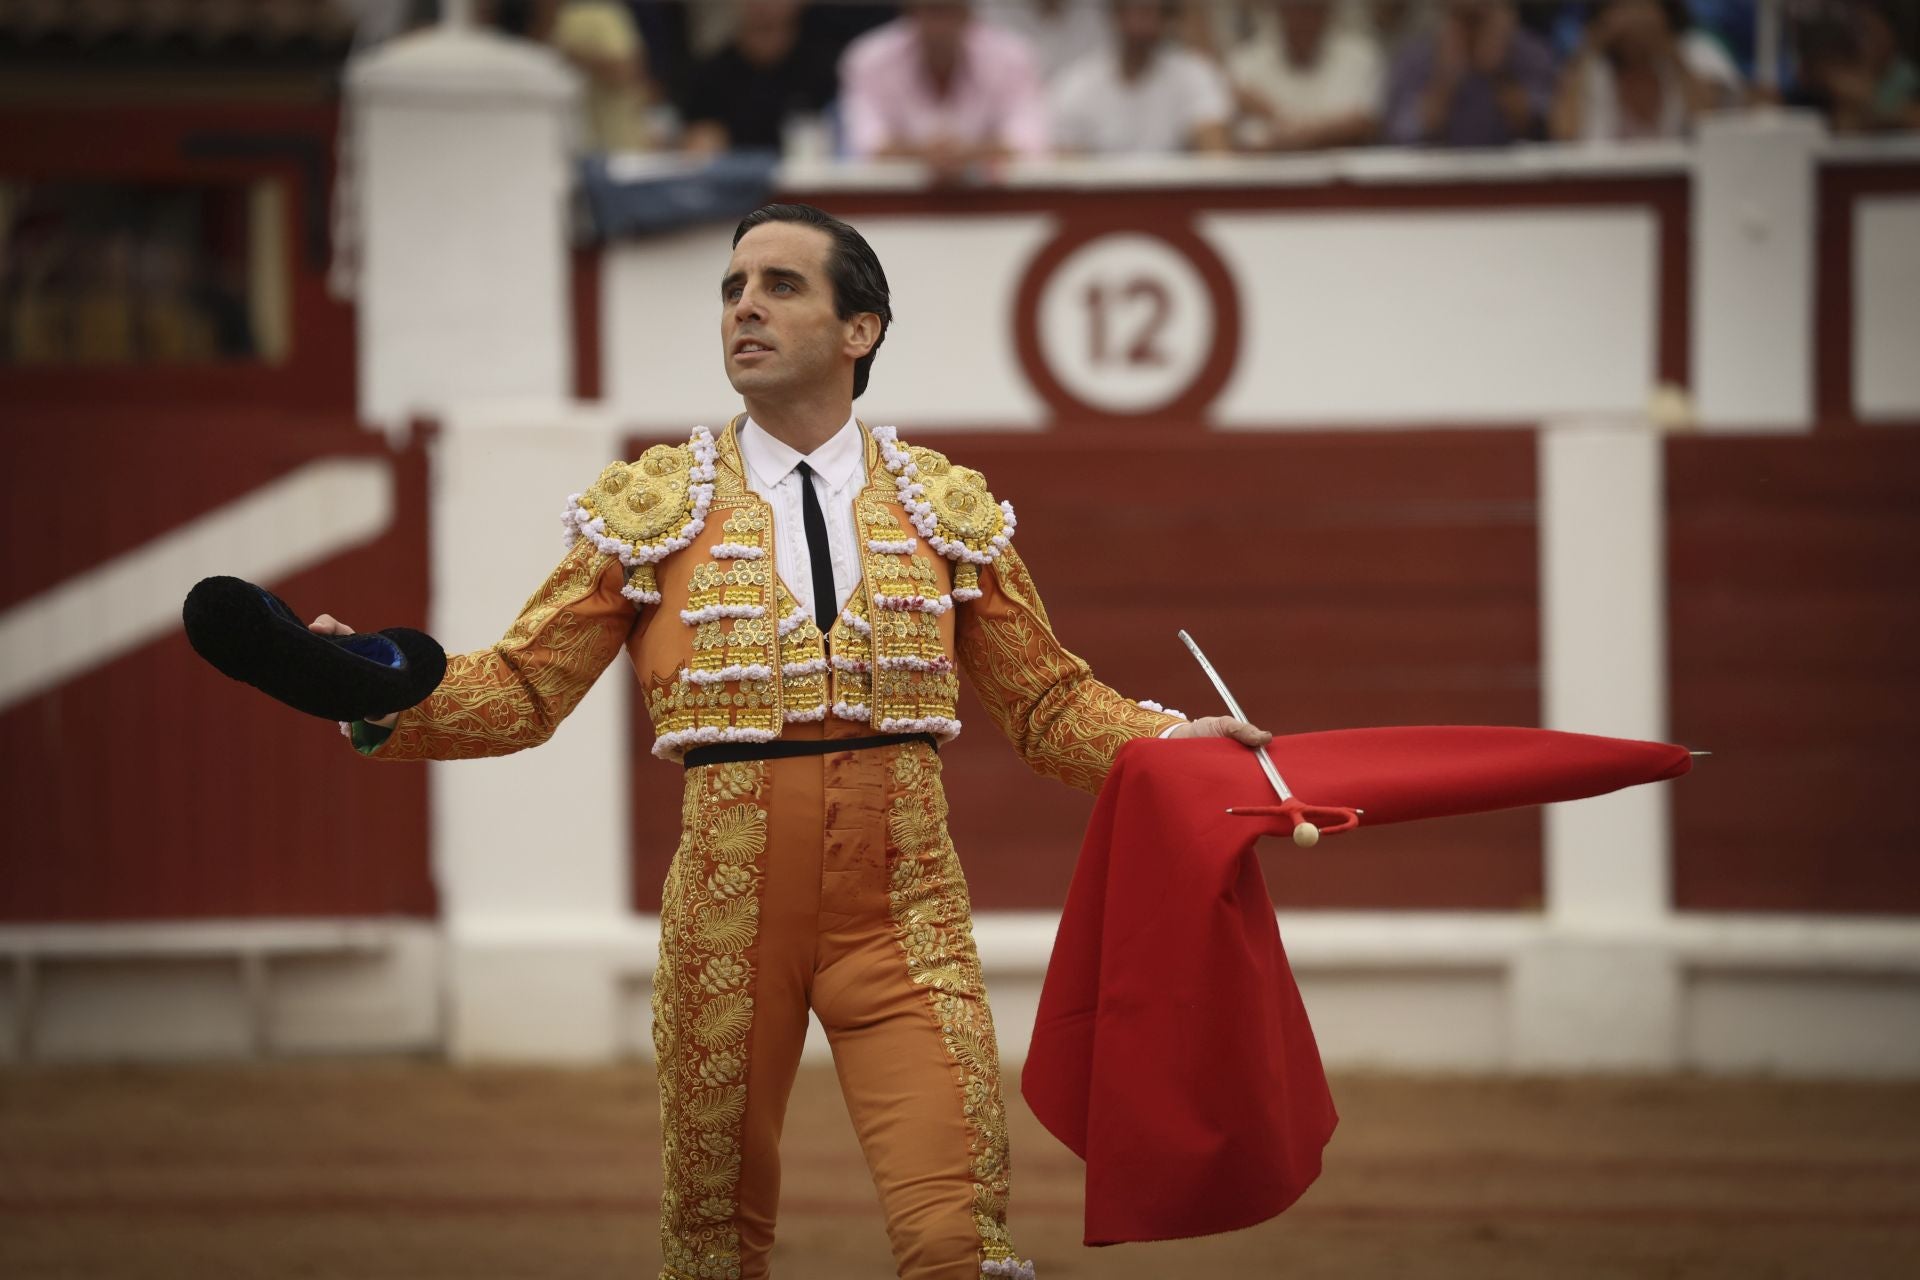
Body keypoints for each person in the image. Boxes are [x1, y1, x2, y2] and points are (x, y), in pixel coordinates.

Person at [313, 201, 1270, 1280]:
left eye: (779, 285)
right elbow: (525, 686)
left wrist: (1172, 738)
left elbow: (1049, 705)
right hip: (727, 921)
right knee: (713, 1245)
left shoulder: (944, 510)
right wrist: (375, 687)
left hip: (905, 914)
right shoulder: (652, 507)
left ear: (859, 331)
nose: (745, 309)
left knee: (962, 1242)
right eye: (731, 289)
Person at [838, 1, 1052, 180]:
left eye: (949, 10)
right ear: (910, 11)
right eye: (932, 10)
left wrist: (961, 155)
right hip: (894, 207)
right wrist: (936, 154)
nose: (940, 27)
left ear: (968, 12)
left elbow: (1029, 143)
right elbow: (864, 147)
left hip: (993, 205)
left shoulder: (1012, 57)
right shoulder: (869, 59)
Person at [1050, 0, 1234, 155]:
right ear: (1115, 15)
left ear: (1166, 19)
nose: (1141, 25)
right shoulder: (1077, 82)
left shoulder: (1195, 75)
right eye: (1134, 10)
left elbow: (1215, 156)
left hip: (1174, 195)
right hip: (1100, 197)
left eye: (1150, 12)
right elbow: (1064, 164)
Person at [1383, 0, 1558, 147]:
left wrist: (1499, 73)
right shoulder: (1416, 57)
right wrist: (1445, 80)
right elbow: (1400, 136)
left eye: (1478, 19)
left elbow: (1546, 130)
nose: (1470, 30)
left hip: (1514, 181)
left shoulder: (1530, 52)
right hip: (1439, 179)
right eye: (1461, 18)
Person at [681, 0, 840, 154]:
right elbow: (695, 139)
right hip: (732, 176)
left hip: (807, 176)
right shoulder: (711, 72)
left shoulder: (825, 69)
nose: (764, 3)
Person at [1228, 0, 1386, 151]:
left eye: (1310, 8)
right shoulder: (1245, 61)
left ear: (1327, 11)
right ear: (1277, 10)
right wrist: (1325, 134)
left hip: (1341, 176)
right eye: (1292, 8)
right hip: (1264, 174)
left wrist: (1283, 126)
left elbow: (1366, 123)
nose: (1301, 18)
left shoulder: (1361, 57)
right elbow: (1239, 141)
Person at [1551, 0, 1709, 142]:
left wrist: (1670, 51)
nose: (1633, 18)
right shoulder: (1593, 70)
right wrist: (1591, 47)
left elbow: (1709, 123)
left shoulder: (1694, 51)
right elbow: (1564, 134)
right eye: (1623, 7)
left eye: (1642, 6)